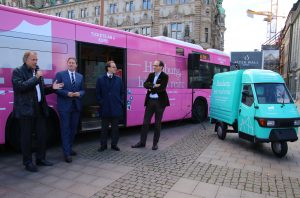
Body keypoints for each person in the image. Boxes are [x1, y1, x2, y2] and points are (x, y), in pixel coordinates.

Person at [12, 51, 64, 172]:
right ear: (26, 60)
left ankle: (41, 159)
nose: (36, 62)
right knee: (26, 137)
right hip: (26, 110)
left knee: (41, 135)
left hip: (39, 108)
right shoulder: (18, 71)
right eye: (33, 60)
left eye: (36, 60)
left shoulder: (37, 71)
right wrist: (35, 78)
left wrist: (52, 88)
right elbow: (20, 87)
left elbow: (41, 91)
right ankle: (28, 162)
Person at [132, 60, 170, 150]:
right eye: (153, 65)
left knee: (157, 124)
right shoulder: (151, 75)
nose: (154, 67)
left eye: (156, 65)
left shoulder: (165, 76)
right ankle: (142, 142)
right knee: (145, 123)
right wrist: (154, 85)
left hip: (160, 102)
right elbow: (145, 84)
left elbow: (162, 88)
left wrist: (151, 88)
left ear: (161, 67)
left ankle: (155, 144)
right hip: (150, 101)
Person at [55, 57, 85, 163]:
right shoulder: (60, 75)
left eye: (73, 63)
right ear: (67, 64)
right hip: (64, 107)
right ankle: (66, 153)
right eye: (69, 63)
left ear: (76, 65)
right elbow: (56, 89)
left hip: (76, 106)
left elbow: (83, 90)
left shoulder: (80, 76)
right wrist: (67, 93)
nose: (71, 64)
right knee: (65, 129)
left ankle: (69, 148)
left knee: (73, 129)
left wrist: (79, 94)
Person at [96, 61, 124, 152]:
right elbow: (97, 93)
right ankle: (103, 145)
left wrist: (120, 102)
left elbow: (122, 92)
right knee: (104, 128)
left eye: (115, 67)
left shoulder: (119, 79)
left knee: (115, 128)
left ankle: (114, 144)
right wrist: (101, 102)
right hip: (105, 108)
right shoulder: (100, 79)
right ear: (108, 68)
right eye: (113, 67)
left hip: (116, 107)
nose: (115, 68)